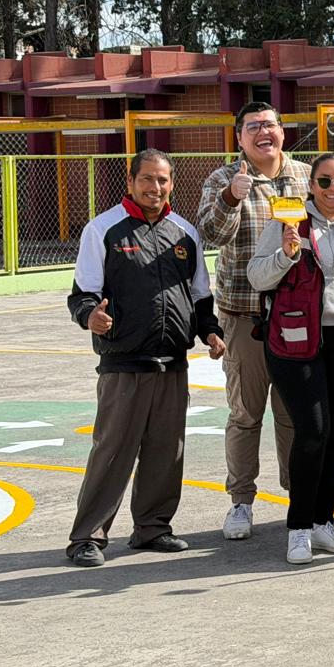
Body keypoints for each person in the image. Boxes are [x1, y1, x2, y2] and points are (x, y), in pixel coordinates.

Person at [65, 149, 225, 567]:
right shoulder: (103, 230)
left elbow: (200, 296)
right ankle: (88, 537)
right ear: (132, 180)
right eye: (148, 179)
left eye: (164, 180)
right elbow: (82, 294)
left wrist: (210, 332)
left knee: (166, 450)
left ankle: (152, 528)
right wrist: (91, 318)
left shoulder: (185, 233)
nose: (156, 188)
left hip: (173, 362)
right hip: (124, 363)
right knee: (113, 450)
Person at [248, 153, 334, 564]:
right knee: (312, 432)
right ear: (310, 185)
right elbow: (257, 277)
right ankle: (298, 528)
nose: (332, 190)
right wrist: (287, 254)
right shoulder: (287, 224)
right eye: (324, 182)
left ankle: (323, 522)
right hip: (295, 343)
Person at [197, 101, 311, 542]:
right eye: (253, 128)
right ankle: (241, 502)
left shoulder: (304, 175)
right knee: (245, 414)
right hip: (245, 315)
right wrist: (232, 198)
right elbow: (212, 234)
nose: (263, 133)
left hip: (297, 316)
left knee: (293, 415)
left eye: (270, 125)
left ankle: (297, 499)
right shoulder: (224, 179)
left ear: (283, 131)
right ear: (239, 137)